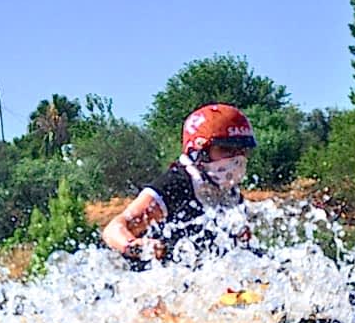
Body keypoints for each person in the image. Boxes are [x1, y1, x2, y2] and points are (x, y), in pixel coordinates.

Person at [101, 103, 257, 268]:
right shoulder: (174, 185)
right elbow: (113, 230)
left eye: (242, 150)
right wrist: (136, 247)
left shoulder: (231, 196)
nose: (237, 158)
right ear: (198, 151)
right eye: (226, 149)